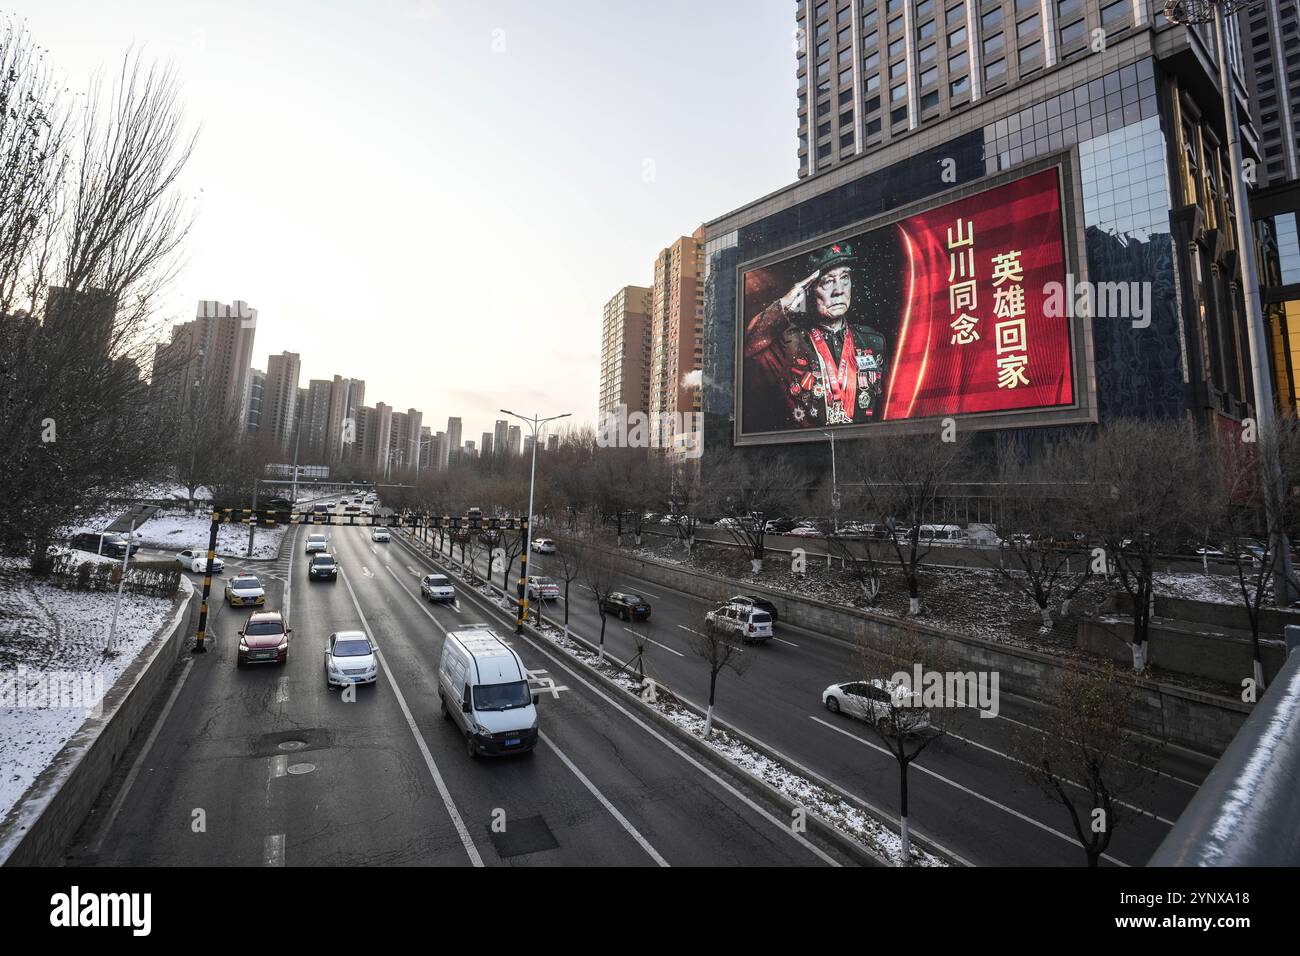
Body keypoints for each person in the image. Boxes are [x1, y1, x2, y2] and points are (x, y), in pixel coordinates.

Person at [744, 241, 888, 430]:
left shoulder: (873, 342)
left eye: (845, 277)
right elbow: (747, 348)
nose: (839, 290)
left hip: (860, 452)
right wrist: (783, 307)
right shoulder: (789, 342)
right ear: (810, 290)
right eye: (827, 281)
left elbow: (882, 409)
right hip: (809, 453)